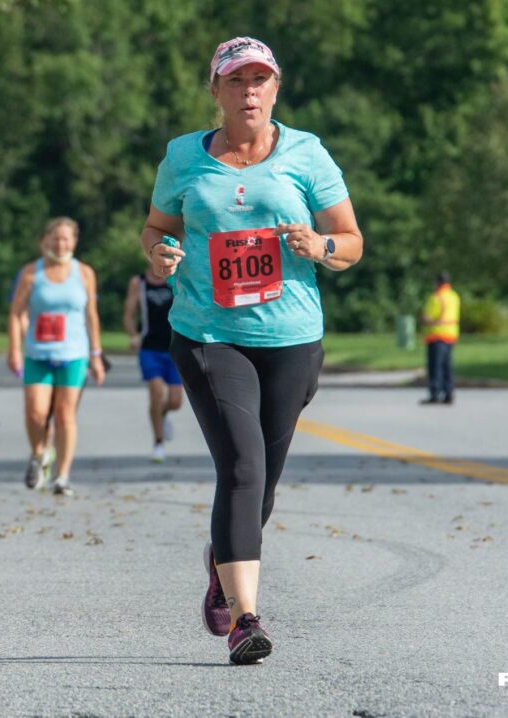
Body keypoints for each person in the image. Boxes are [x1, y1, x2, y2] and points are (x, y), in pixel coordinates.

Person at [142, 37, 363, 664]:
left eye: (260, 80)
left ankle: (223, 562)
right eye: (237, 81)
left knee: (262, 481)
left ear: (276, 88)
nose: (249, 92)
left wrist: (319, 246)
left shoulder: (306, 153)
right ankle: (246, 619)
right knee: (241, 467)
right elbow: (157, 228)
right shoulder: (183, 156)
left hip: (292, 339)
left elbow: (350, 241)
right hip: (209, 334)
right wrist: (159, 254)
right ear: (216, 91)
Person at [7, 217, 106, 497]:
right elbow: (15, 313)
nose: (60, 244)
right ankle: (39, 454)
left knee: (65, 415)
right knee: (36, 413)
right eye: (55, 238)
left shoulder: (84, 273)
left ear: (74, 242)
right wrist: (14, 349)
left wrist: (96, 355)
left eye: (66, 238)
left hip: (73, 353)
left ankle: (62, 476)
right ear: (46, 240)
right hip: (38, 353)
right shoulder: (31, 273)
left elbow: (91, 315)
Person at [123, 267, 183, 463]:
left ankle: (162, 414)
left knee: (175, 401)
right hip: (149, 348)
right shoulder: (139, 283)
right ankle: (158, 443)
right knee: (156, 392)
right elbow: (129, 314)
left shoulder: (176, 278)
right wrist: (133, 335)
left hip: (175, 347)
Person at [420, 272, 461, 405]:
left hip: (437, 335)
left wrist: (425, 319)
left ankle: (435, 394)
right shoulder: (454, 296)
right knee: (447, 366)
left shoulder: (436, 297)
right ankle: (449, 394)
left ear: (438, 282)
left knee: (435, 367)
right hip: (451, 335)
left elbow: (428, 316)